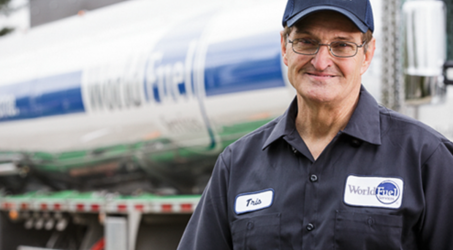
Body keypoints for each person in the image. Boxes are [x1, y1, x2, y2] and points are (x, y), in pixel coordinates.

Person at [177, 0, 453, 249]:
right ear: (285, 48)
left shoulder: (425, 158)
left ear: (367, 54)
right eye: (307, 42)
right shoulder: (237, 164)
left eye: (342, 45)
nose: (321, 62)